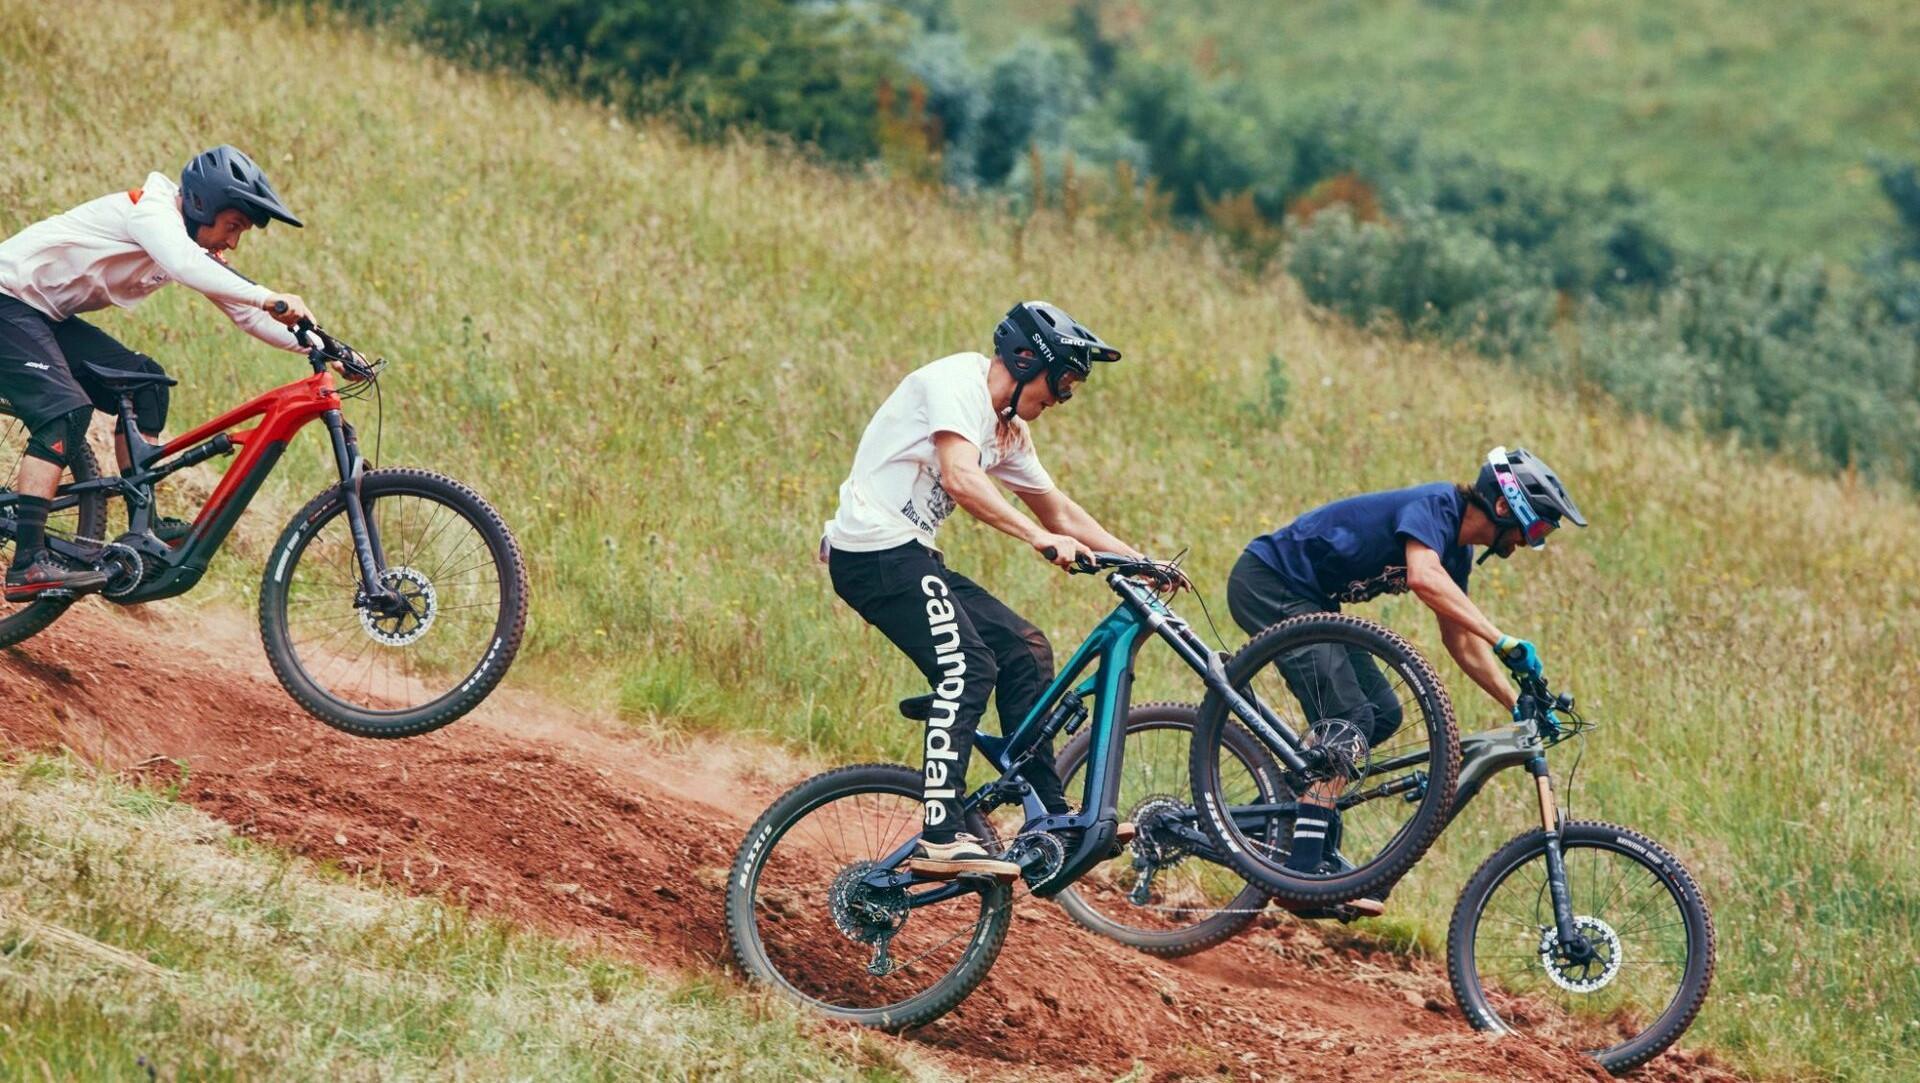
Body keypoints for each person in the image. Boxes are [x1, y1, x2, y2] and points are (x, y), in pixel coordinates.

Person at [823, 301, 1140, 879]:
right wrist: (1037, 539)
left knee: (1024, 650)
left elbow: (1061, 510)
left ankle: (1046, 816)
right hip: (871, 552)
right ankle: (940, 836)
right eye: (1060, 381)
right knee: (968, 666)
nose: (1061, 398)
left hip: (910, 555)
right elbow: (960, 477)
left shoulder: (1008, 431)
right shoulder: (957, 384)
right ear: (1025, 360)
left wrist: (1142, 560)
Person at [1228, 446, 1586, 915]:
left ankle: (1276, 817)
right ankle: (1300, 868)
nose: (1531, 542)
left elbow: (1459, 641)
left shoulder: (1455, 554)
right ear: (1504, 506)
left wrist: (1512, 700)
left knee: (1381, 714)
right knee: (1349, 719)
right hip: (1270, 582)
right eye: (1536, 528)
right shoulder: (1438, 507)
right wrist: (1503, 639)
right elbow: (1422, 576)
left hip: (1313, 601)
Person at [0, 145, 319, 601]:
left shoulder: (187, 240)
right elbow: (190, 268)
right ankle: (28, 562)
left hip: (43, 315)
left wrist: (322, 344)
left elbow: (246, 314)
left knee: (146, 385)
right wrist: (269, 295)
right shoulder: (151, 214)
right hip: (7, 299)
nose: (233, 242)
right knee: (66, 411)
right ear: (202, 204)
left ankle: (139, 535)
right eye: (233, 227)